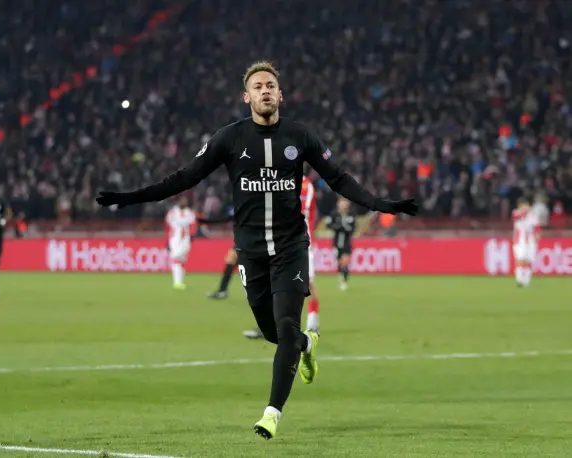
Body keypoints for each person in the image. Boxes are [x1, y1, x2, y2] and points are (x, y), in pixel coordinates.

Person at [96, 61, 418, 439]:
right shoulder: (229, 139)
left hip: (290, 247)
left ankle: (271, 414)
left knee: (285, 325)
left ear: (280, 95)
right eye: (258, 86)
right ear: (246, 97)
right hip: (250, 252)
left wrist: (381, 204)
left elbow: (339, 179)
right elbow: (185, 177)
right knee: (276, 335)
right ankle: (306, 343)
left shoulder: (301, 136)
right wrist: (131, 198)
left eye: (271, 85)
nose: (265, 91)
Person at [243, 174, 320, 338]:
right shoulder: (279, 182)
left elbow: (301, 211)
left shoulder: (306, 185)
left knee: (307, 283)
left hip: (301, 242)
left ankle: (313, 323)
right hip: (279, 241)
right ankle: (269, 326)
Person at [165, 195, 197, 289]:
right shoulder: (172, 213)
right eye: (182, 200)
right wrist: (167, 240)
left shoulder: (189, 213)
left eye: (185, 200)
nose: (184, 202)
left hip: (185, 239)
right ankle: (177, 282)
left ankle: (180, 281)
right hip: (175, 238)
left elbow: (193, 225)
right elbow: (167, 227)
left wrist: (192, 235)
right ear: (178, 202)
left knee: (182, 260)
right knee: (176, 258)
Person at [326, 197, 357, 290]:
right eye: (341, 202)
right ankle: (341, 276)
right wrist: (337, 227)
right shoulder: (334, 214)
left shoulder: (351, 215)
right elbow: (329, 225)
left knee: (345, 261)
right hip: (336, 242)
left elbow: (353, 228)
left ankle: (344, 281)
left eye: (345, 202)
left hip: (346, 243)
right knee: (339, 262)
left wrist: (345, 227)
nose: (343, 204)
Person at [512, 197, 540, 288]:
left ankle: (526, 281)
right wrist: (524, 211)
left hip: (531, 241)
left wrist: (537, 235)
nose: (525, 207)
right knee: (520, 259)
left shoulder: (533, 216)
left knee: (529, 260)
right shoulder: (516, 212)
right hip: (520, 241)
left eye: (526, 205)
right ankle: (519, 279)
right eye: (523, 205)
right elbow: (516, 217)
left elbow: (536, 227)